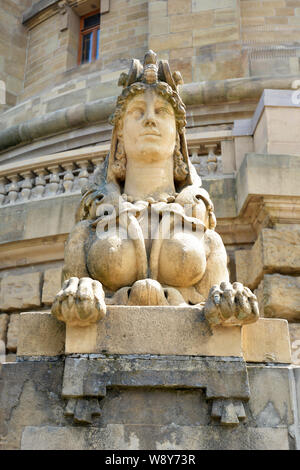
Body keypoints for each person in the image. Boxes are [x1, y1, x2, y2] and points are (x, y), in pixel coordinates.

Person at [52, 51, 258, 327]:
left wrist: (230, 299)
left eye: (161, 112)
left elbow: (219, 304)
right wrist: (78, 292)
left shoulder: (205, 235)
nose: (150, 119)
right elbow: (66, 303)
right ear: (120, 134)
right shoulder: (87, 230)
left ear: (177, 134)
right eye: (138, 112)